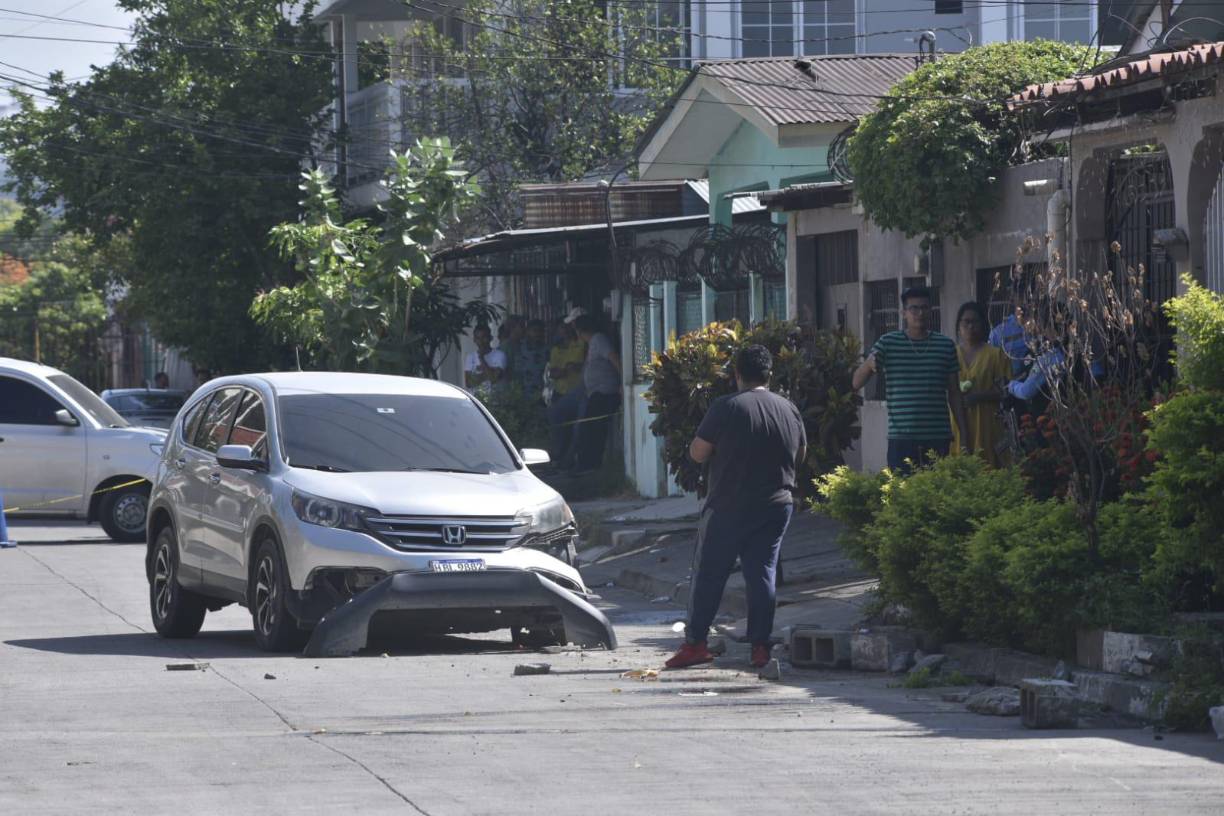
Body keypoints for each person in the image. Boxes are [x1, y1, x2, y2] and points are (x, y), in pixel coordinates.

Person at [664, 345, 807, 670]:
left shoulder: (725, 407)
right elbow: (800, 455)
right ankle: (760, 647)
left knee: (710, 574)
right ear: (769, 374)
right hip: (776, 505)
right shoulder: (789, 409)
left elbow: (698, 453)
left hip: (729, 506)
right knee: (762, 574)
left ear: (737, 374)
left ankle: (696, 643)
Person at [852, 285, 970, 474]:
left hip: (937, 437)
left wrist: (964, 434)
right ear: (903, 313)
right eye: (914, 308)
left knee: (937, 496)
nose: (919, 313)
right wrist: (868, 364)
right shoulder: (888, 343)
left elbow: (954, 394)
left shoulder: (946, 346)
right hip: (902, 440)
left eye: (924, 307)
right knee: (903, 497)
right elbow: (856, 382)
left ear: (931, 310)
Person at [951, 301, 1011, 467]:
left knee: (987, 468)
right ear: (959, 326)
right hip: (957, 423)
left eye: (975, 322)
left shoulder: (995, 355)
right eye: (966, 322)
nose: (970, 326)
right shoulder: (950, 354)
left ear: (983, 325)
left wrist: (980, 396)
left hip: (987, 423)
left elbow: (1005, 391)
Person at [571, 314, 620, 472]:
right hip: (595, 393)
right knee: (589, 427)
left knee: (593, 428)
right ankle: (587, 463)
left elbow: (614, 358)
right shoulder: (592, 344)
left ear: (579, 331)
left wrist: (624, 382)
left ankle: (590, 464)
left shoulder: (599, 340)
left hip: (604, 392)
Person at [547, 313, 587, 467]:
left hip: (578, 391)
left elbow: (585, 363)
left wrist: (576, 367)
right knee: (560, 428)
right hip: (561, 392)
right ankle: (559, 458)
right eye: (561, 328)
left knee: (577, 428)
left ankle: (572, 460)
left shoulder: (581, 344)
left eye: (566, 327)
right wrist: (565, 370)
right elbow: (553, 373)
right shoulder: (556, 350)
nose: (564, 331)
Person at [989, 291, 1033, 377]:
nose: (1025, 299)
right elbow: (991, 367)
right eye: (1021, 295)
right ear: (1013, 297)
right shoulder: (998, 333)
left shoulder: (1044, 326)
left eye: (1029, 293)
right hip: (1012, 385)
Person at [464, 324, 507, 389]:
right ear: (474, 340)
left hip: (495, 397)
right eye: (478, 338)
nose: (481, 342)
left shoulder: (500, 355)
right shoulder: (470, 357)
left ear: (490, 338)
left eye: (484, 337)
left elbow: (493, 379)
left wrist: (481, 358)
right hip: (476, 397)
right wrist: (489, 373)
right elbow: (468, 383)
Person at [513, 319, 549, 396]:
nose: (538, 333)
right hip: (524, 392)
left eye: (540, 331)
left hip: (543, 393)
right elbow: (517, 372)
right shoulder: (520, 348)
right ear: (528, 331)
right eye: (535, 331)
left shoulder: (547, 349)